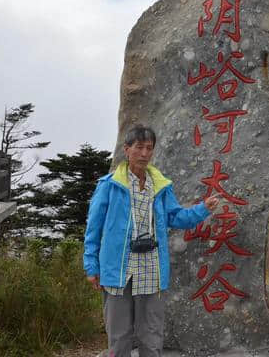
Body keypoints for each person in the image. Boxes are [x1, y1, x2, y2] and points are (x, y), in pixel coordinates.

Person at [83, 125, 220, 357]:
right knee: (119, 336)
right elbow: (93, 228)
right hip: (118, 269)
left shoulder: (161, 186)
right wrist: (91, 265)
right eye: (139, 147)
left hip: (152, 270)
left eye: (149, 148)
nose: (144, 153)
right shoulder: (109, 186)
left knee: (152, 334)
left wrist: (202, 209)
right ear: (127, 150)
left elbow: (176, 217)